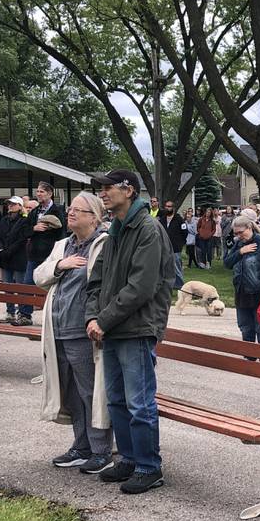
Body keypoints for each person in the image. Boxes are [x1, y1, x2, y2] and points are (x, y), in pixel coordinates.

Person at [85, 169, 174, 494]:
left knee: (139, 403)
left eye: (108, 187)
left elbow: (141, 288)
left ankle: (149, 467)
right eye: (101, 188)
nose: (103, 193)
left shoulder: (147, 229)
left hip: (136, 329)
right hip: (113, 329)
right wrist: (93, 316)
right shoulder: (116, 230)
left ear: (130, 190)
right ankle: (129, 459)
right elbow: (97, 279)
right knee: (118, 401)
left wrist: (103, 320)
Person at [35, 192, 113, 473]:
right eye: (70, 209)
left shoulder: (103, 245)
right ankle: (81, 446)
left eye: (78, 210)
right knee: (70, 392)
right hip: (57, 327)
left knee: (90, 391)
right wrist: (60, 265)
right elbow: (39, 276)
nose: (71, 214)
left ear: (94, 217)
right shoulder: (62, 245)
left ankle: (101, 451)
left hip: (82, 331)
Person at [223, 213, 260, 346]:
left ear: (249, 227)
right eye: (235, 233)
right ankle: (249, 362)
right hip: (242, 294)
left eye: (240, 232)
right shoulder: (239, 244)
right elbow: (227, 263)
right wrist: (240, 252)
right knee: (246, 330)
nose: (238, 236)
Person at [21, 182, 66, 326]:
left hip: (50, 256)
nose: (38, 194)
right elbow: (24, 230)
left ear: (50, 194)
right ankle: (25, 315)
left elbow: (63, 234)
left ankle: (52, 318)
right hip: (33, 255)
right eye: (37, 191)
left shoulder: (58, 210)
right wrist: (34, 228)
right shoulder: (34, 212)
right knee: (27, 285)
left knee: (51, 287)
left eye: (41, 192)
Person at [0, 197, 31, 324]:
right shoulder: (4, 220)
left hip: (19, 257)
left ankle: (22, 313)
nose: (10, 206)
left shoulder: (24, 220)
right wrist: (0, 250)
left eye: (13, 204)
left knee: (20, 287)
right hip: (5, 257)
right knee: (7, 287)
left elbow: (22, 239)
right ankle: (10, 313)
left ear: (20, 206)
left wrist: (8, 251)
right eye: (9, 204)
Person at [160, 200, 186, 290]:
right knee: (165, 267)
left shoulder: (179, 219)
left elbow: (184, 232)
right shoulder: (162, 219)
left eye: (169, 206)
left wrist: (181, 243)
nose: (167, 208)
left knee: (177, 267)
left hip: (176, 247)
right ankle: (167, 284)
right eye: (166, 206)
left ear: (173, 208)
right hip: (164, 247)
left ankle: (180, 285)